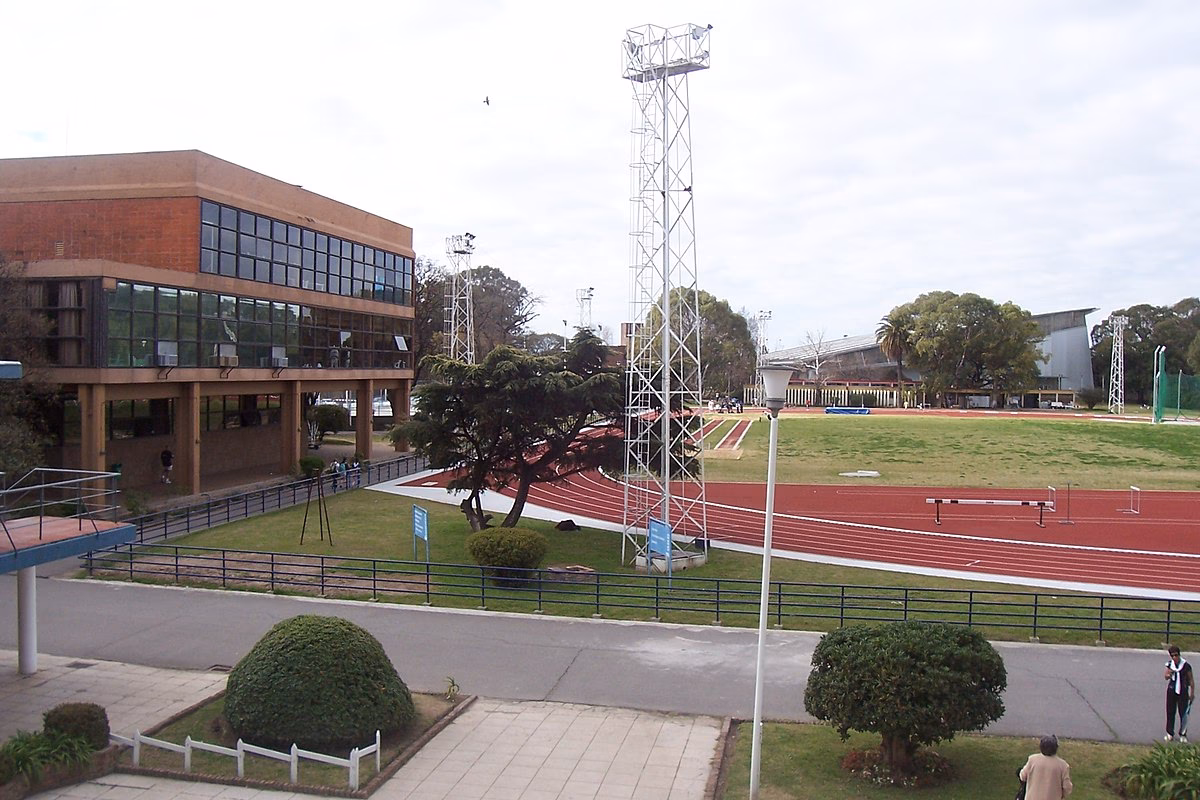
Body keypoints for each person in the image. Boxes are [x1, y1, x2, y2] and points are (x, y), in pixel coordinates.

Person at [1019, 734, 1072, 799]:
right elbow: (1067, 787)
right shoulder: (1063, 765)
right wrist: (1062, 795)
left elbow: (1022, 776)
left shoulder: (1032, 760)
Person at [1165, 644, 1195, 742]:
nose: (1174, 658)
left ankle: (1183, 734)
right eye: (1172, 656)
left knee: (1183, 714)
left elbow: (1191, 680)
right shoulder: (1170, 664)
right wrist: (1170, 674)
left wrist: (1192, 693)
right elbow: (1166, 676)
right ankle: (1170, 733)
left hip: (1183, 691)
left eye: (1176, 655)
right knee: (1170, 712)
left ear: (1179, 654)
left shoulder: (1186, 666)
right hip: (1172, 690)